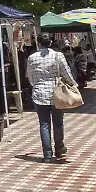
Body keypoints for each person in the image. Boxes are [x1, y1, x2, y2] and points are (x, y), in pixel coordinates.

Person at [27, 34, 75, 162]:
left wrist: (37, 86)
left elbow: (30, 77)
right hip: (56, 93)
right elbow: (66, 74)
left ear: (38, 42)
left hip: (39, 94)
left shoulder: (32, 57)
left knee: (44, 124)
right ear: (51, 42)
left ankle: (47, 154)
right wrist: (73, 85)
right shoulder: (58, 56)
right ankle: (59, 148)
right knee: (58, 123)